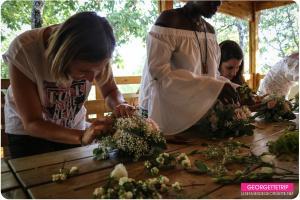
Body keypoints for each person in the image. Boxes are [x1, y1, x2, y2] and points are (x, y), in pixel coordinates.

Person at [3, 12, 134, 158]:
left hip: (73, 128)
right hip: (28, 135)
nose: (91, 78)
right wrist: (82, 136)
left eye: (97, 70)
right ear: (62, 57)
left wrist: (120, 105)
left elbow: (110, 91)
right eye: (84, 71)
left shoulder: (97, 50)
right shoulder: (24, 50)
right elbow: (33, 122)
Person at [139, 1, 239, 135]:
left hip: (200, 117)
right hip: (168, 119)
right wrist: (213, 86)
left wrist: (238, 90)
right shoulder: (170, 20)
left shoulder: (209, 31)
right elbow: (160, 74)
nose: (218, 2)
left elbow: (212, 77)